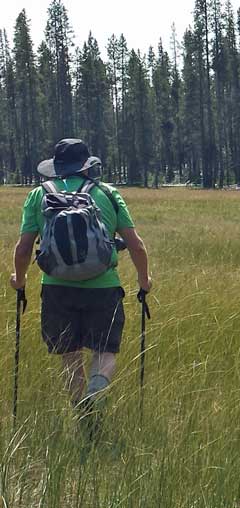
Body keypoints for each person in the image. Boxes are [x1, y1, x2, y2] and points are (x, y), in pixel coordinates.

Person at [10, 138, 152, 430]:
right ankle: (95, 398)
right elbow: (136, 246)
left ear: (57, 168)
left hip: (57, 286)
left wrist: (19, 280)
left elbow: (24, 249)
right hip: (103, 287)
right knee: (105, 351)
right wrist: (144, 281)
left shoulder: (39, 195)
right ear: (87, 165)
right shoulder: (108, 194)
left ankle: (81, 414)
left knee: (69, 353)